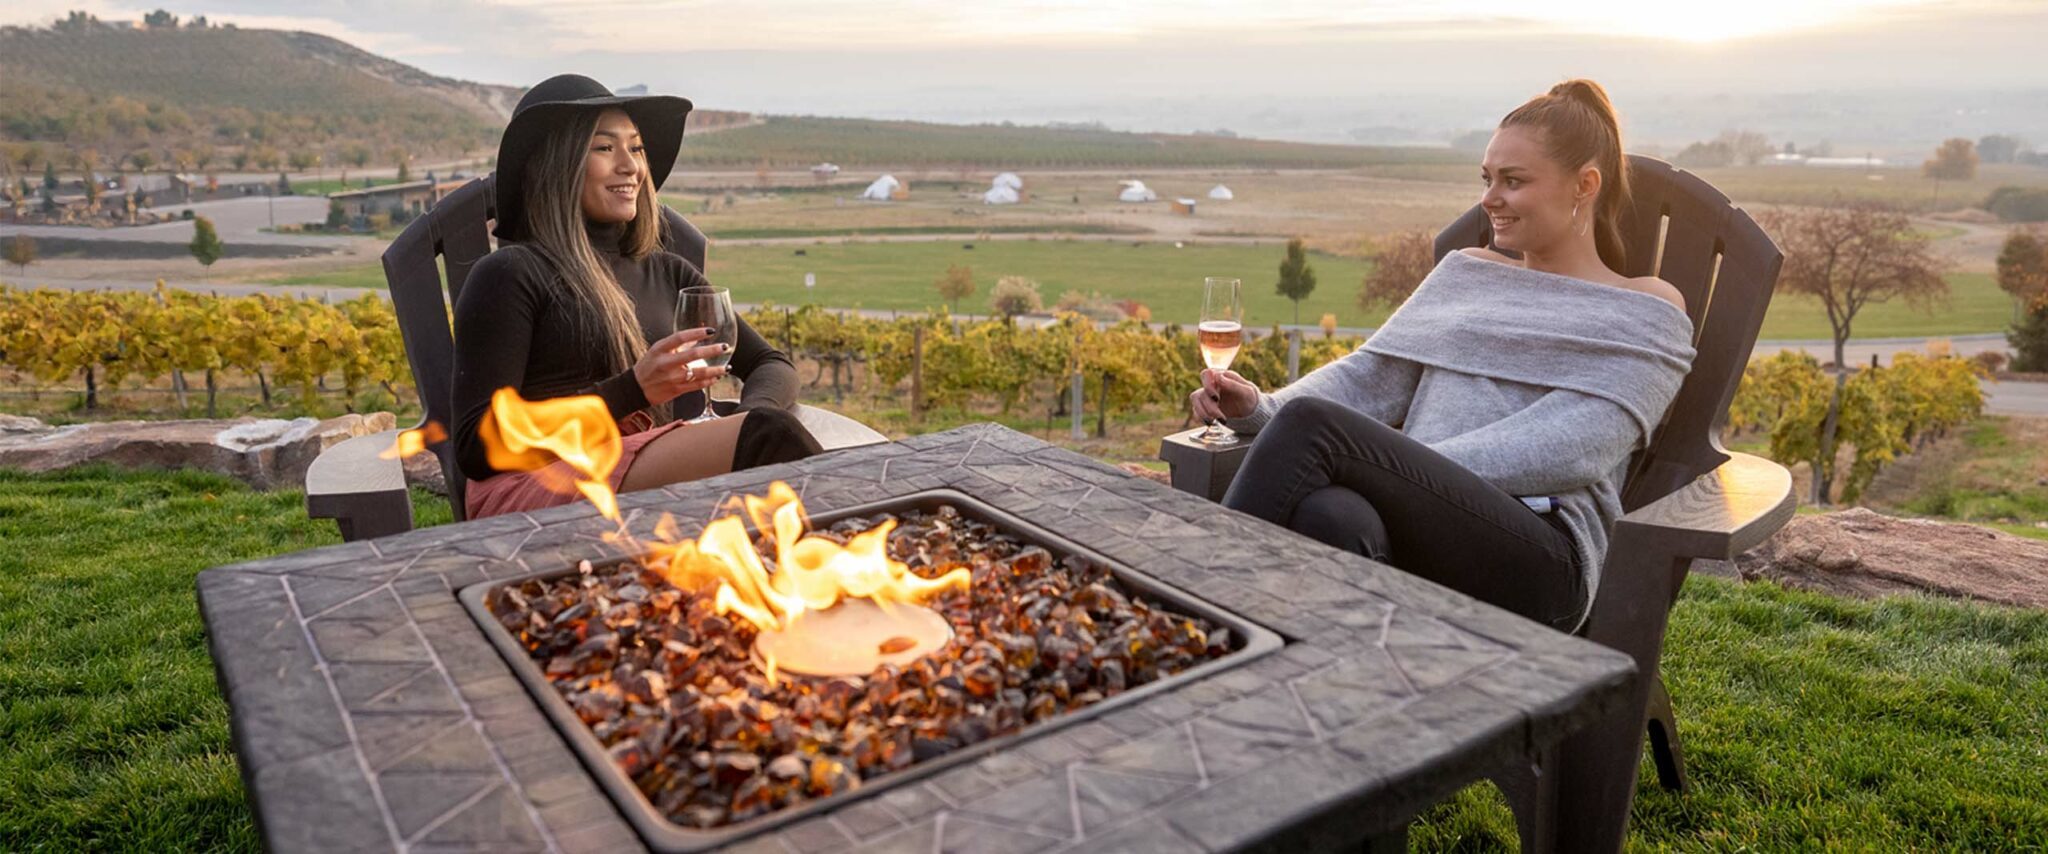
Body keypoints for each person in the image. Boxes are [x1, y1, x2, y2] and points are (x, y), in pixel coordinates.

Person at [1190, 79, 1694, 632]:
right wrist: (1261, 409)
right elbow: (1370, 376)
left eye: (1513, 181)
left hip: (1541, 555)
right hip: (1416, 514)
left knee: (1314, 427)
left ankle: (1191, 627)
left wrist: (1403, 467)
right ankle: (1339, 693)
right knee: (1329, 516)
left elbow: (1573, 449)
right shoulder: (1467, 272)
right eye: (1487, 179)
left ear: (1584, 185)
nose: (1489, 199)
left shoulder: (1645, 307)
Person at [453, 74, 821, 519]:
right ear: (555, 163)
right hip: (538, 485)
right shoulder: (511, 274)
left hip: (638, 468)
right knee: (771, 439)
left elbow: (771, 364)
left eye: (637, 148)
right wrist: (632, 390)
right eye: (605, 148)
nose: (630, 166)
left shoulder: (667, 272)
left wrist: (748, 416)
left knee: (767, 434)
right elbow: (476, 446)